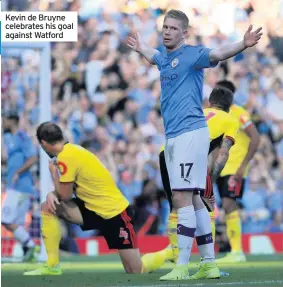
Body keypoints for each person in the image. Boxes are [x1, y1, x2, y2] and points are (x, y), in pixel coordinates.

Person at [127, 8, 262, 280]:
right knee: (197, 199)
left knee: (181, 198)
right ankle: (209, 263)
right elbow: (154, 57)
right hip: (174, 136)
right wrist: (141, 47)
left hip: (190, 133)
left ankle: (181, 266)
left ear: (184, 33)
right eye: (165, 27)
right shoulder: (164, 58)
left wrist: (242, 45)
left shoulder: (193, 55)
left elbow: (218, 54)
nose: (167, 31)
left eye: (173, 29)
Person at [142, 86, 239, 279]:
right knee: (193, 202)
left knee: (184, 204)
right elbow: (224, 151)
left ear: (209, 102)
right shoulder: (230, 119)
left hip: (172, 152)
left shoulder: (200, 112)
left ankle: (183, 264)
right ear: (229, 106)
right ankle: (201, 263)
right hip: (186, 154)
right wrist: (213, 176)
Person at [24, 122, 143, 276]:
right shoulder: (72, 150)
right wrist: (53, 193)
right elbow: (64, 193)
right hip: (92, 208)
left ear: (44, 143)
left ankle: (165, 255)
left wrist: (53, 173)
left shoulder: (65, 157)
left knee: (134, 271)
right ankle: (52, 265)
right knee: (48, 207)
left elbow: (65, 196)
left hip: (115, 213)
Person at [215, 80, 260, 263]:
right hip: (220, 168)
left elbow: (255, 138)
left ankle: (237, 251)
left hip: (235, 168)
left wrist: (243, 166)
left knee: (228, 204)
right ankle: (231, 250)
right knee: (224, 206)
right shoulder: (218, 114)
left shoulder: (239, 113)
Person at [1, 112, 39, 261]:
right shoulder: (10, 138)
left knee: (5, 220)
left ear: (12, 121)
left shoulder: (22, 137)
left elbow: (33, 157)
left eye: (4, 120)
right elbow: (8, 159)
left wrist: (18, 172)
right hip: (14, 185)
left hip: (20, 186)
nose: (2, 123)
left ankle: (29, 245)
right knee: (15, 223)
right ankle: (28, 251)